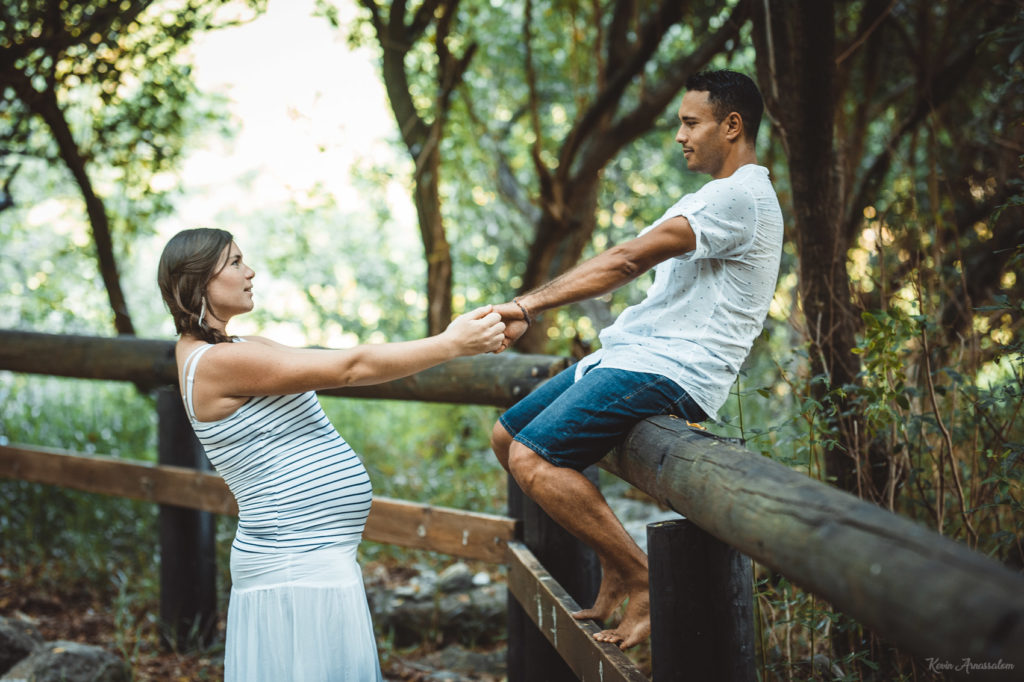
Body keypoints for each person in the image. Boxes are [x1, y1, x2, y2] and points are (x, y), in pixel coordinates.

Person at [489, 69, 783, 649]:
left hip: (673, 368)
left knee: (533, 458)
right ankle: (618, 564)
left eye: (690, 122)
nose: (680, 135)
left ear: (732, 125)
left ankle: (643, 576)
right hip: (632, 354)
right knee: (507, 435)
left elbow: (626, 261)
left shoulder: (740, 195)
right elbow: (629, 264)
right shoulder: (711, 196)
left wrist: (528, 305)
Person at [157, 227, 505, 682]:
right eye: (236, 263)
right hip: (294, 564)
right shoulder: (217, 363)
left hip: (313, 558)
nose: (251, 271)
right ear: (200, 280)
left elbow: (338, 360)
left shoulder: (240, 347)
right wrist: (451, 344)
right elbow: (350, 369)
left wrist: (469, 334)